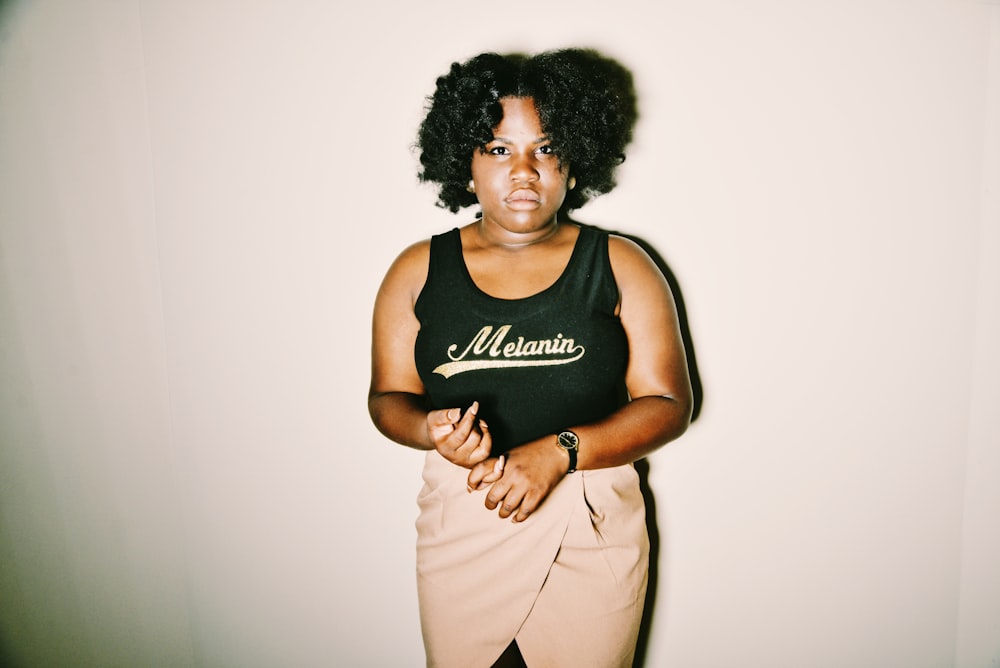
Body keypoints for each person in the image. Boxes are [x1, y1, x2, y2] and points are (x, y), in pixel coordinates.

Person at [368, 48, 692, 668]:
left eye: (545, 148)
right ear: (463, 164)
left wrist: (559, 452)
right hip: (465, 527)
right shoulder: (416, 271)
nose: (523, 170)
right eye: (497, 149)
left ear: (574, 162)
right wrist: (429, 430)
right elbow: (387, 399)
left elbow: (669, 405)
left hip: (590, 528)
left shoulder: (622, 265)